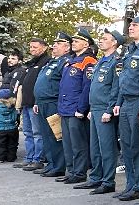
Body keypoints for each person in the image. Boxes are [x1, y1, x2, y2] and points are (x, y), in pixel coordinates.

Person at [115, 14, 139, 202]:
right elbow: (124, 79)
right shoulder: (130, 50)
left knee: (138, 145)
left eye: (135, 25)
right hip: (126, 101)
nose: (130, 28)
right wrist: (118, 102)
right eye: (130, 25)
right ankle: (131, 184)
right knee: (127, 145)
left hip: (138, 100)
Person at [83, 28, 122, 195]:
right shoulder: (101, 61)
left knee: (107, 147)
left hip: (105, 109)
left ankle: (108, 181)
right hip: (96, 108)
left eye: (105, 38)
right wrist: (92, 108)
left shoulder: (116, 61)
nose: (101, 40)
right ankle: (96, 177)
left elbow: (116, 87)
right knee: (95, 147)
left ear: (114, 42)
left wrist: (109, 109)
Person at [58, 28, 97, 184]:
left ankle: (80, 172)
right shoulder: (71, 60)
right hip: (65, 108)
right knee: (67, 143)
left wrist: (81, 108)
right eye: (72, 41)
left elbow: (87, 87)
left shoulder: (89, 61)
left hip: (76, 109)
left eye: (77, 41)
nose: (73, 43)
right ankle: (71, 170)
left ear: (86, 44)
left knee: (78, 143)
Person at [32, 33, 71, 179]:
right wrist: (37, 101)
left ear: (67, 48)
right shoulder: (53, 61)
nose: (54, 46)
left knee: (55, 136)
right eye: (54, 43)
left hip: (53, 102)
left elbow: (64, 85)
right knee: (46, 135)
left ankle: (59, 166)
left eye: (58, 43)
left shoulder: (65, 62)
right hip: (42, 102)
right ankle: (51, 164)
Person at [18, 39, 50, 169]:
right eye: (31, 47)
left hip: (35, 103)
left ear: (44, 48)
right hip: (26, 102)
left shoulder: (45, 62)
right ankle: (29, 157)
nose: (32, 49)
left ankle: (38, 159)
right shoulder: (31, 63)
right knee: (27, 132)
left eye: (35, 47)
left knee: (37, 133)